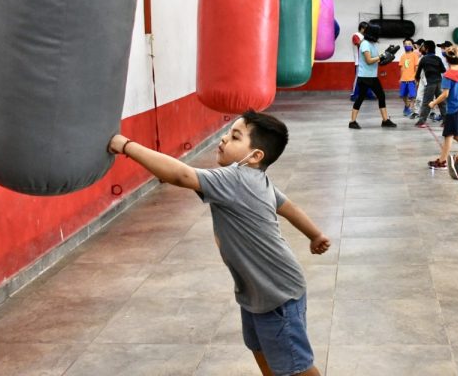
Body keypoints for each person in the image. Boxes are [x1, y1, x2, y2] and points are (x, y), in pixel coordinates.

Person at [107, 111, 331, 376]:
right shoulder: (256, 179)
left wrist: (125, 146)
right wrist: (315, 235)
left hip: (277, 294)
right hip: (256, 292)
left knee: (296, 365)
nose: (224, 139)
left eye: (235, 136)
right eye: (228, 132)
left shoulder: (235, 179)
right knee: (262, 351)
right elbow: (288, 207)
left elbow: (181, 176)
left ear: (255, 156)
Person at [426, 45, 458, 174]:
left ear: (446, 60)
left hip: (453, 110)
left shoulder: (447, 75)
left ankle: (442, 161)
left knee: (449, 135)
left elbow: (445, 94)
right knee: (457, 135)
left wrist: (434, 102)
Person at [349, 23, 397, 129]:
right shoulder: (365, 44)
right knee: (361, 97)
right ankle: (352, 121)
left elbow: (377, 60)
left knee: (381, 96)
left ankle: (385, 120)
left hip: (372, 76)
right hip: (364, 77)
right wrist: (381, 56)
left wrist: (386, 54)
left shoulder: (373, 44)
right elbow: (369, 60)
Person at [414, 40, 446, 128]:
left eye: (424, 47)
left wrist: (416, 80)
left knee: (426, 102)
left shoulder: (424, 59)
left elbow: (418, 72)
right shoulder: (438, 58)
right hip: (439, 82)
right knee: (441, 102)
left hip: (430, 83)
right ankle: (446, 121)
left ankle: (422, 121)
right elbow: (443, 70)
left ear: (427, 49)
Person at [350, 22, 376, 102]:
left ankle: (368, 94)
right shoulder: (356, 35)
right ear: (362, 28)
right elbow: (358, 43)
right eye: (366, 29)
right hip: (359, 61)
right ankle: (354, 95)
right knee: (358, 78)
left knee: (368, 78)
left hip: (368, 61)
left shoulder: (366, 37)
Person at [398, 38, 419, 116]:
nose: (407, 46)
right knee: (403, 95)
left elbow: (416, 67)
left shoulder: (414, 55)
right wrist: (400, 78)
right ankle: (407, 106)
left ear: (412, 45)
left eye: (409, 44)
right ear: (403, 45)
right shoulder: (403, 56)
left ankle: (413, 110)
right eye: (406, 44)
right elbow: (401, 68)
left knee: (413, 95)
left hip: (412, 79)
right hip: (403, 79)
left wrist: (416, 78)